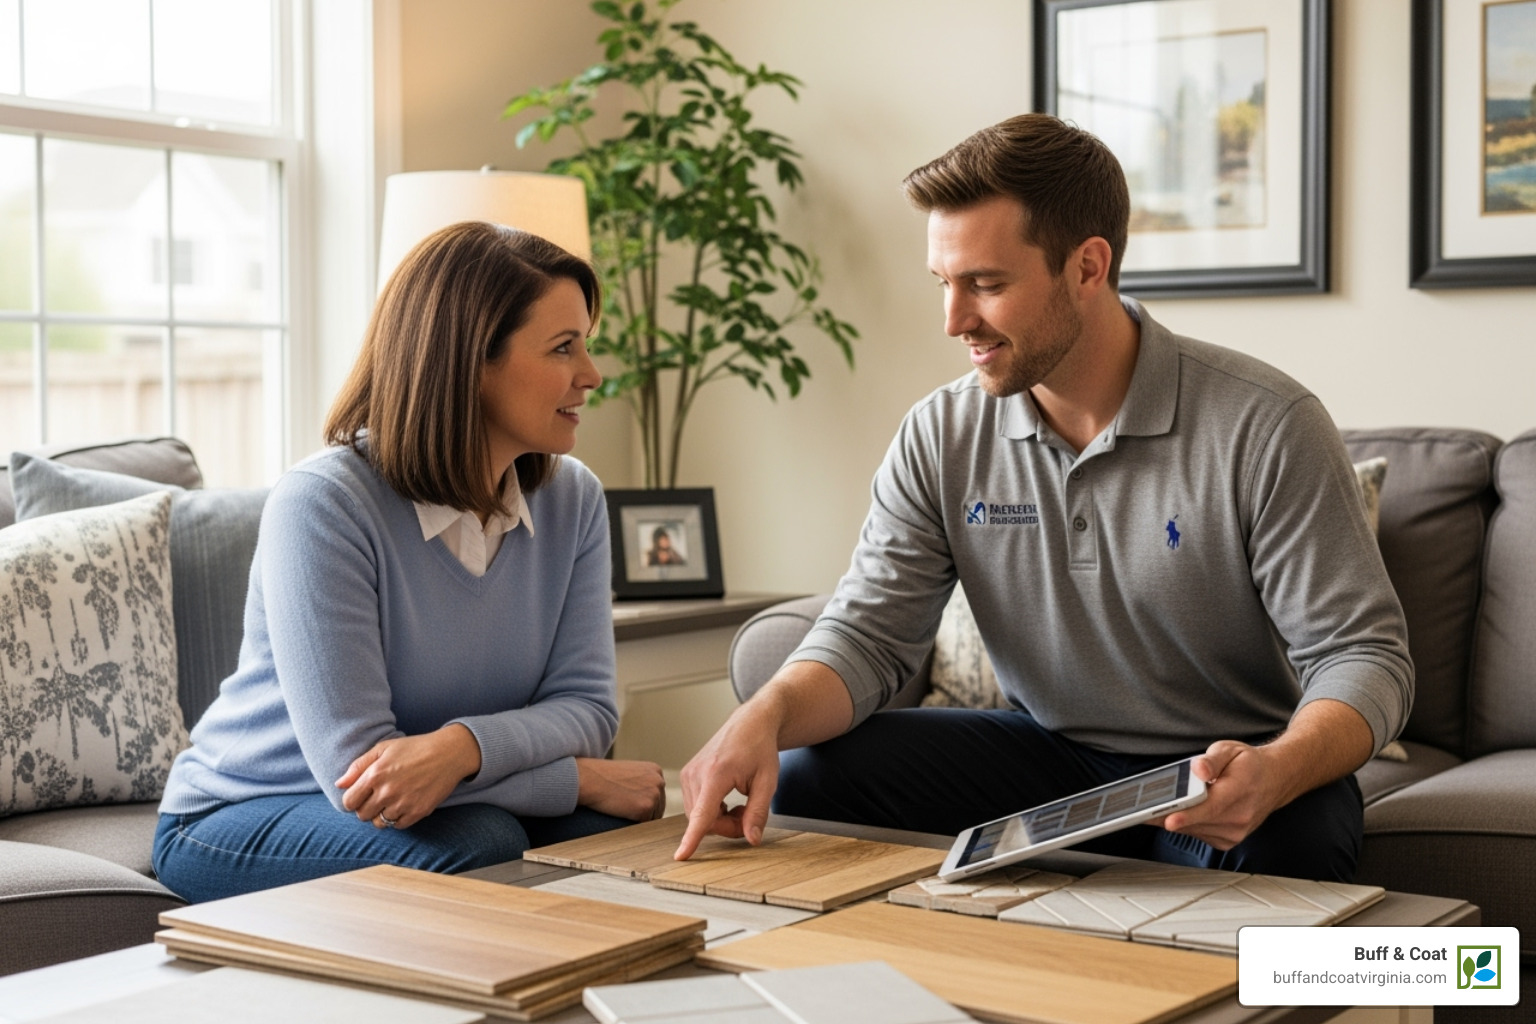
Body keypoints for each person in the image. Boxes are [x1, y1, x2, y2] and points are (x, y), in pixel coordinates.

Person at [675, 115, 1413, 882]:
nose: (955, 320)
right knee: (810, 774)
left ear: (1088, 266)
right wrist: (763, 713)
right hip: (1045, 754)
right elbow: (869, 638)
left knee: (1295, 852)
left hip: (1224, 767)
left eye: (986, 285)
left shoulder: (1265, 424)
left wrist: (1283, 767)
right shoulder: (941, 433)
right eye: (945, 284)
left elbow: (1363, 656)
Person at [154, 223, 665, 903]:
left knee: (605, 828)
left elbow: (588, 709)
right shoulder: (324, 504)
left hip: (436, 795)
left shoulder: (574, 498)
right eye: (564, 347)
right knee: (486, 842)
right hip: (240, 816)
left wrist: (460, 749)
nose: (591, 374)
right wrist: (574, 779)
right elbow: (361, 774)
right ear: (469, 360)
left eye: (586, 345)